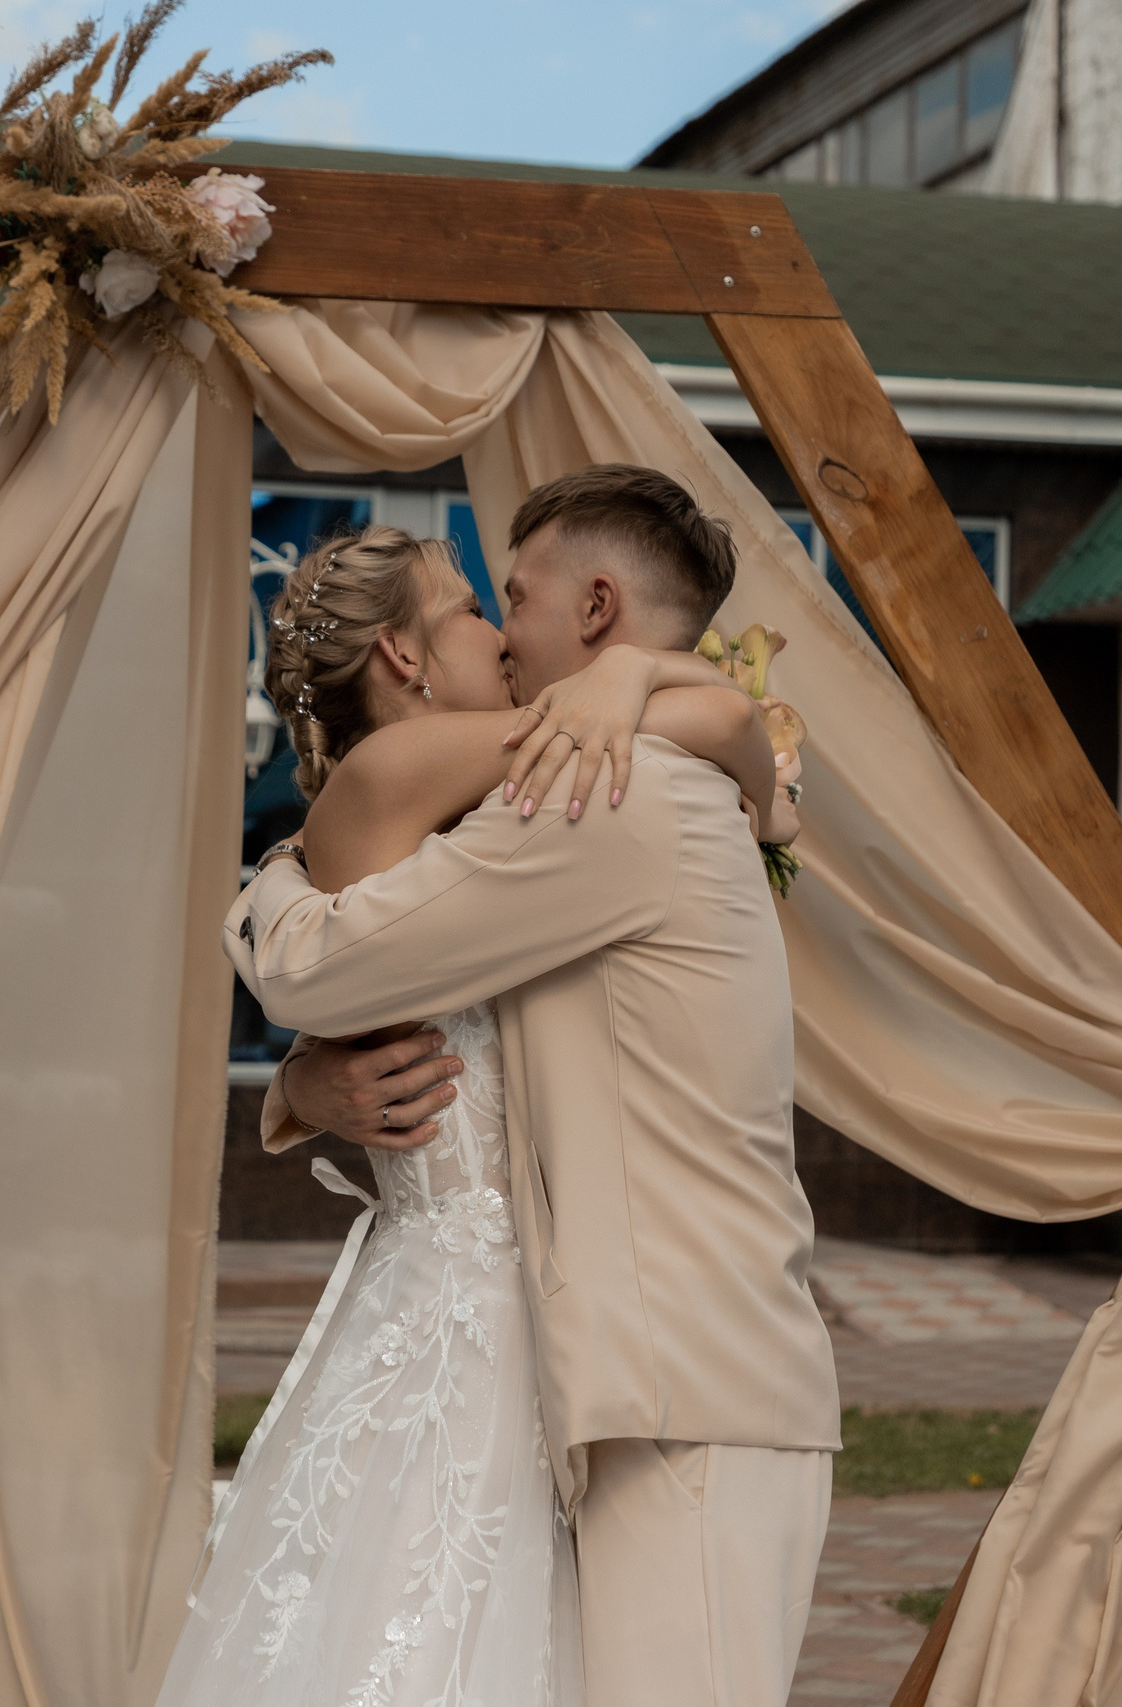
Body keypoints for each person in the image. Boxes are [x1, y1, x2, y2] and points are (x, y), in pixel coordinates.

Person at [227, 465, 842, 1707]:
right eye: (480, 604)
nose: (504, 632)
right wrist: (310, 1085)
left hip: (687, 1392)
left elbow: (314, 964)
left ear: (597, 607)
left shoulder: (610, 788)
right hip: (607, 1378)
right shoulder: (569, 781)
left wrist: (269, 881)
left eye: (511, 596)